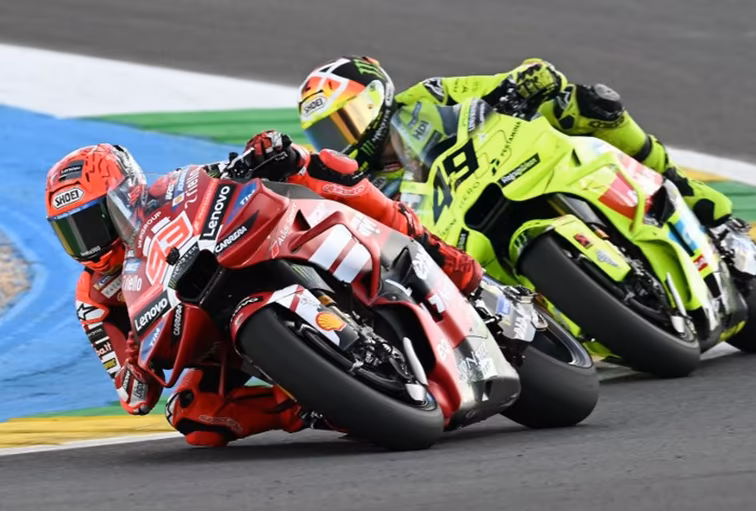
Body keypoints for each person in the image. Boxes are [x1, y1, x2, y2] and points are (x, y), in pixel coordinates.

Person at [44, 139, 482, 447]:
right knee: (195, 418)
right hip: (211, 337)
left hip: (252, 254)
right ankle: (317, 403)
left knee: (319, 167)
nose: (89, 244)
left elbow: (224, 176)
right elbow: (132, 397)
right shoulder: (93, 299)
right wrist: (138, 364)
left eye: (93, 222)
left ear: (126, 195)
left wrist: (264, 154)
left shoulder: (171, 187)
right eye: (72, 233)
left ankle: (435, 251)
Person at [294, 56, 733, 227]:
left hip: (503, 165)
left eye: (347, 119)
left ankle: (674, 181)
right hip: (458, 237)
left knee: (584, 103)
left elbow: (496, 83)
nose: (344, 136)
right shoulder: (355, 182)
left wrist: (522, 82)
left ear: (376, 98)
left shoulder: (424, 98)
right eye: (330, 131)